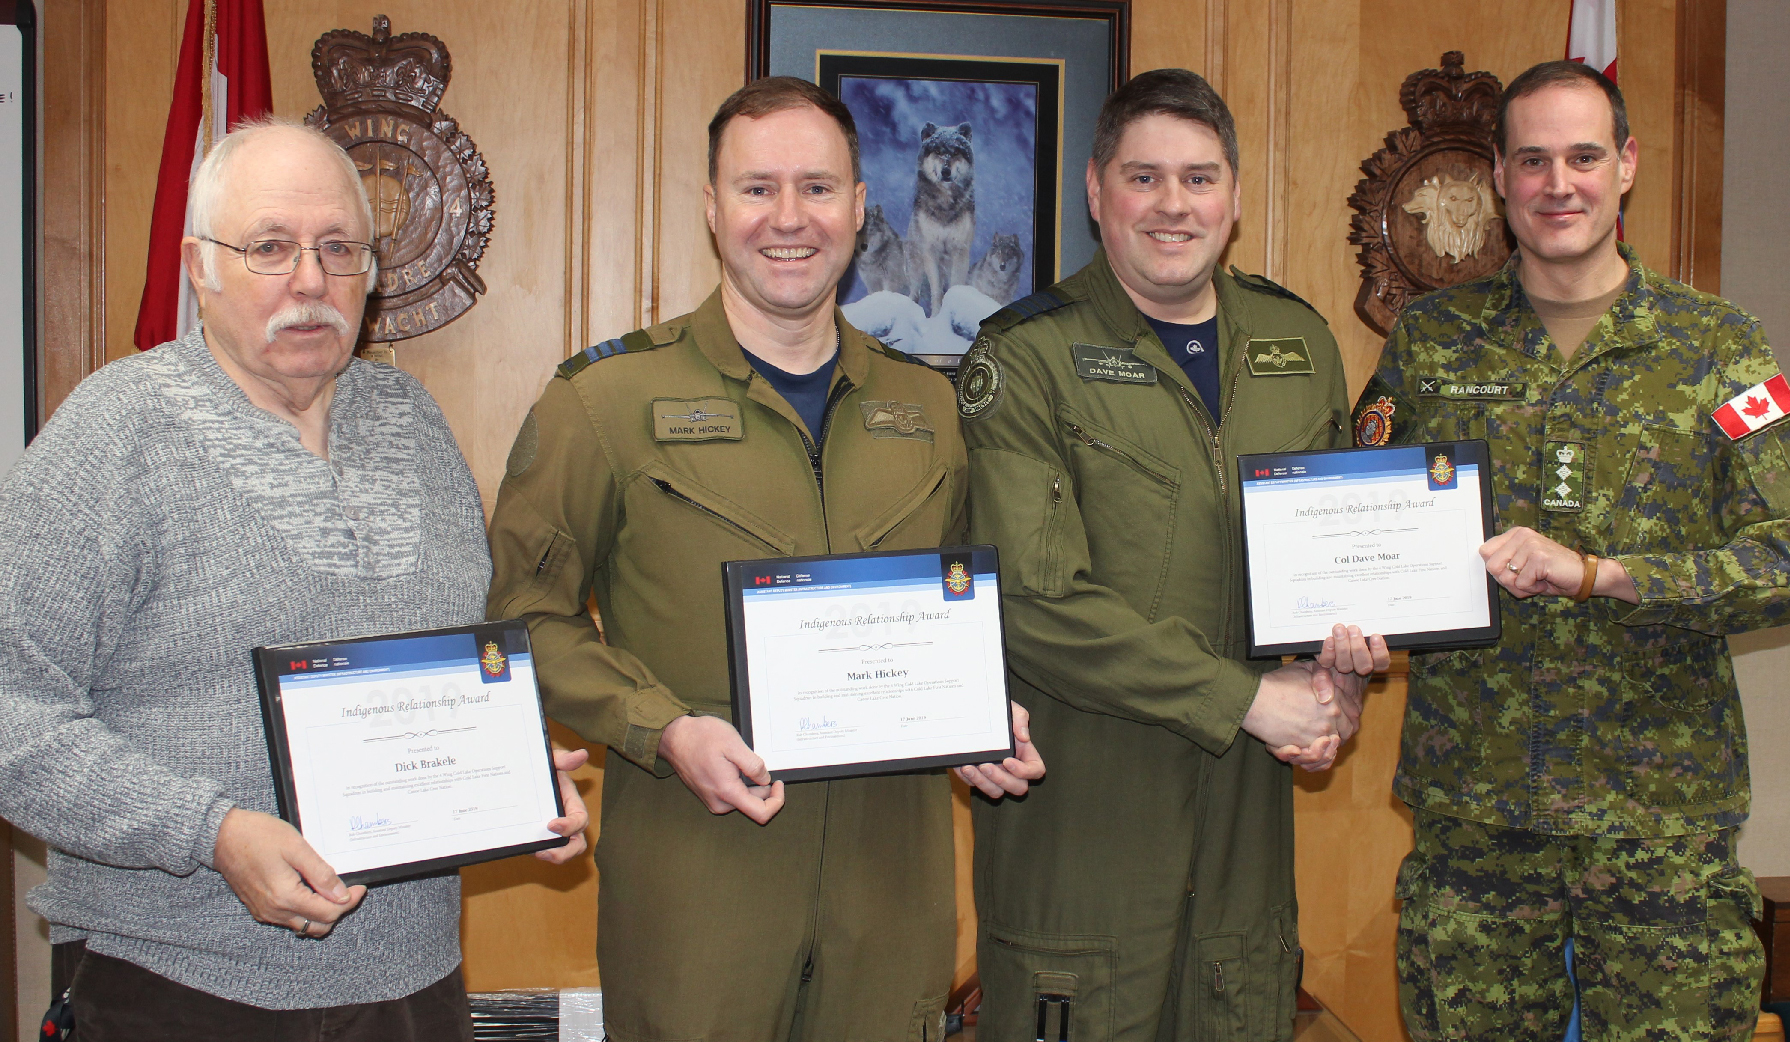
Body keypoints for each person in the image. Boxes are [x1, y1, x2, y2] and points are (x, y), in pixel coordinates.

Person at [0, 118, 589, 1041]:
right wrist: (210, 833)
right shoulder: (115, 433)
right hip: (177, 984)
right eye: (270, 247)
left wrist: (508, 771)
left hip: (413, 981)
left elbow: (445, 666)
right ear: (200, 267)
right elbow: (12, 711)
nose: (310, 280)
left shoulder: (411, 421)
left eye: (338, 249)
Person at [485, 76, 1043, 1042]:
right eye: (757, 189)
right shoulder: (604, 403)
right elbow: (523, 621)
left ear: (859, 207)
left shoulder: (929, 408)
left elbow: (960, 606)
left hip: (890, 892)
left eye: (817, 188)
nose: (789, 218)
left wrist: (982, 712)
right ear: (713, 207)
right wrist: (661, 728)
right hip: (699, 886)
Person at [1355, 61, 1790, 1041]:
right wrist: (1338, 629)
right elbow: (1360, 521)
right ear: (1500, 176)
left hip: (1662, 817)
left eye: (1585, 157)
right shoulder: (1433, 340)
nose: (1560, 184)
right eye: (1534, 160)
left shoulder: (1717, 346)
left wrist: (1612, 577)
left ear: (1626, 165)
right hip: (1478, 811)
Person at [958, 68, 1387, 1040]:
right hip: (1084, 818)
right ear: (1095, 189)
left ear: (1232, 195)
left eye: (1199, 178)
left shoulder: (1297, 342)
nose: (1173, 205)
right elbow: (1034, 601)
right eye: (1143, 177)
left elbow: (1337, 559)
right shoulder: (1025, 356)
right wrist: (1248, 700)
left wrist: (1338, 681)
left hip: (1245, 832)